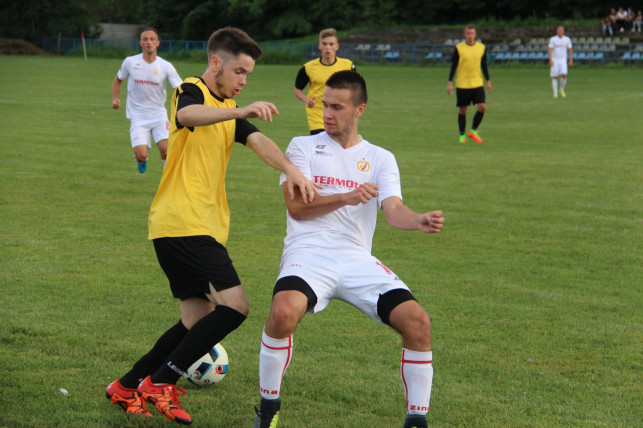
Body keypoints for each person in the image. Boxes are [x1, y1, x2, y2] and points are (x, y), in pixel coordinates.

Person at [105, 27, 319, 425]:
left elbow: (259, 142)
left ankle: (127, 385)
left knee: (195, 320)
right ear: (216, 62)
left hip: (187, 226)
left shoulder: (228, 109)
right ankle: (161, 382)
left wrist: (291, 170)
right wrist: (240, 110)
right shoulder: (192, 90)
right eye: (239, 71)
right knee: (235, 307)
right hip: (185, 222)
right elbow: (187, 116)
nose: (243, 81)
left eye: (248, 75)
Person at [253, 70, 445, 428]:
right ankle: (268, 409)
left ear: (360, 109)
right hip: (308, 253)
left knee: (418, 322)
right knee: (282, 312)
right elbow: (297, 208)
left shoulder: (380, 158)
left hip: (356, 258)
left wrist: (418, 219)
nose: (327, 113)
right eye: (325, 105)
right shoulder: (302, 147)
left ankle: (417, 421)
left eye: (337, 107)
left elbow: (393, 210)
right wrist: (346, 196)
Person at [112, 28, 182, 173]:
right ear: (141, 43)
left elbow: (180, 88)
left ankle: (166, 180)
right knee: (141, 155)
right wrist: (115, 98)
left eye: (152, 39)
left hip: (158, 114)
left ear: (157, 43)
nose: (149, 42)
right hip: (138, 115)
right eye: (145, 39)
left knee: (166, 150)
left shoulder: (166, 66)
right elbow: (118, 79)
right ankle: (142, 158)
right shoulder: (130, 62)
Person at [294, 28, 355, 135]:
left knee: (338, 144)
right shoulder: (308, 68)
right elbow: (297, 90)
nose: (328, 47)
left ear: (337, 47)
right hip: (317, 115)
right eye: (324, 44)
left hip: (340, 114)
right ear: (319, 46)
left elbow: (356, 88)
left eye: (331, 44)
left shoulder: (347, 66)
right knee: (321, 144)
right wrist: (306, 99)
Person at [446, 25, 492, 144]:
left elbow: (484, 65)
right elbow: (454, 65)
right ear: (465, 35)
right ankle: (462, 136)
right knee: (463, 110)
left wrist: (488, 80)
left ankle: (473, 131)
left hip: (477, 83)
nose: (470, 35)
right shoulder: (459, 48)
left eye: (472, 33)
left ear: (475, 34)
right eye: (468, 33)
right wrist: (450, 82)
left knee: (482, 107)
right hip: (462, 84)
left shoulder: (481, 48)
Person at [548, 26, 573, 99]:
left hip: (563, 60)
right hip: (555, 59)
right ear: (557, 31)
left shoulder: (567, 39)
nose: (560, 31)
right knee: (555, 76)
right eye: (559, 30)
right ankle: (555, 93)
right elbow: (550, 50)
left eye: (561, 30)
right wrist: (550, 59)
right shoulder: (553, 39)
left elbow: (570, 50)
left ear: (563, 31)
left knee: (564, 75)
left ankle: (561, 89)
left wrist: (571, 60)